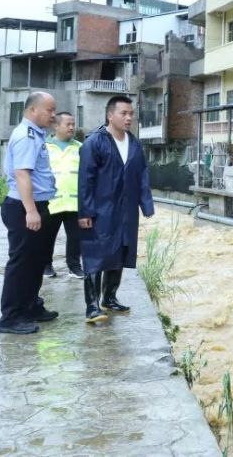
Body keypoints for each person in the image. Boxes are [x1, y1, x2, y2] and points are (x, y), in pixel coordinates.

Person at [78, 95, 154, 323]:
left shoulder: (134, 143)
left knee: (120, 251)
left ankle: (109, 297)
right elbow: (85, 180)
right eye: (124, 113)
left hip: (126, 210)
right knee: (95, 254)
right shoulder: (95, 142)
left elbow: (142, 174)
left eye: (131, 113)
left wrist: (146, 204)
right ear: (110, 115)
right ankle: (92, 306)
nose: (129, 117)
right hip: (101, 210)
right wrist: (85, 212)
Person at [0, 92, 58, 335]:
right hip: (24, 207)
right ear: (33, 110)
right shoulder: (26, 135)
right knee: (21, 264)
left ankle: (30, 305)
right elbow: (22, 174)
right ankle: (11, 318)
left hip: (37, 206)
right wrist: (31, 211)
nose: (53, 115)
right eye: (49, 110)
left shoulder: (36, 134)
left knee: (36, 262)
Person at [43, 112, 83, 279]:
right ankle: (45, 266)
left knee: (75, 238)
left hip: (74, 203)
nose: (72, 127)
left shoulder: (80, 147)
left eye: (73, 124)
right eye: (68, 124)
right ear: (56, 126)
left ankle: (74, 267)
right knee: (47, 237)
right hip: (52, 202)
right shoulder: (44, 146)